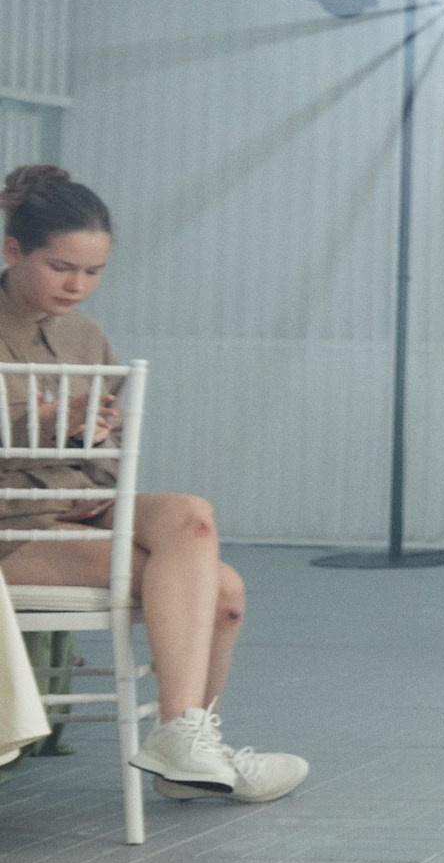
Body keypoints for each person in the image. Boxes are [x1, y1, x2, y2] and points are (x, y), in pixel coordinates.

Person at [0, 166, 308, 803]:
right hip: (14, 527)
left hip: (75, 509)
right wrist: (45, 420)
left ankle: (187, 737)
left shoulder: (84, 336)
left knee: (191, 516)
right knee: (220, 589)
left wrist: (96, 471)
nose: (78, 285)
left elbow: (105, 442)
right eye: (62, 267)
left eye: (93, 272)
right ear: (13, 251)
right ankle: (189, 746)